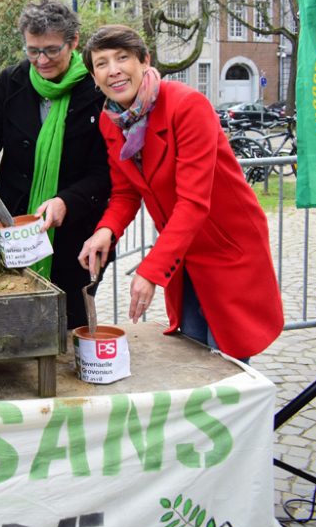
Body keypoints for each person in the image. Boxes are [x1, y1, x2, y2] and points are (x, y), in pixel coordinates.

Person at [77, 24, 283, 359]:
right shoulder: (110, 121)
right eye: (101, 63)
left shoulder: (187, 106)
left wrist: (149, 271)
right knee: (194, 355)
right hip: (182, 253)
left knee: (230, 365)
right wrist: (106, 230)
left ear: (144, 61)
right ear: (94, 75)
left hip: (225, 248)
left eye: (122, 57)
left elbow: (193, 203)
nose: (113, 70)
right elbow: (127, 192)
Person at [0, 0, 110, 330]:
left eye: (51, 50)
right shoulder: (11, 81)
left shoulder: (97, 90)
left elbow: (106, 172)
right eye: (32, 51)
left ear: (73, 43)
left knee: (67, 326)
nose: (40, 60)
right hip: (12, 226)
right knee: (3, 323)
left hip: (73, 234)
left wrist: (66, 202)